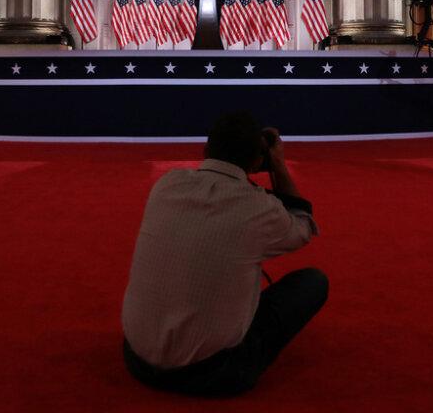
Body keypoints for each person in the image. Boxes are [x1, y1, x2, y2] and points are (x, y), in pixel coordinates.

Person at [121, 111, 327, 397]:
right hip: (214, 374)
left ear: (206, 150)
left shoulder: (166, 185)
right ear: (258, 160)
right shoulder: (257, 208)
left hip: (136, 358)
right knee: (313, 283)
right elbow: (303, 224)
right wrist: (278, 164)